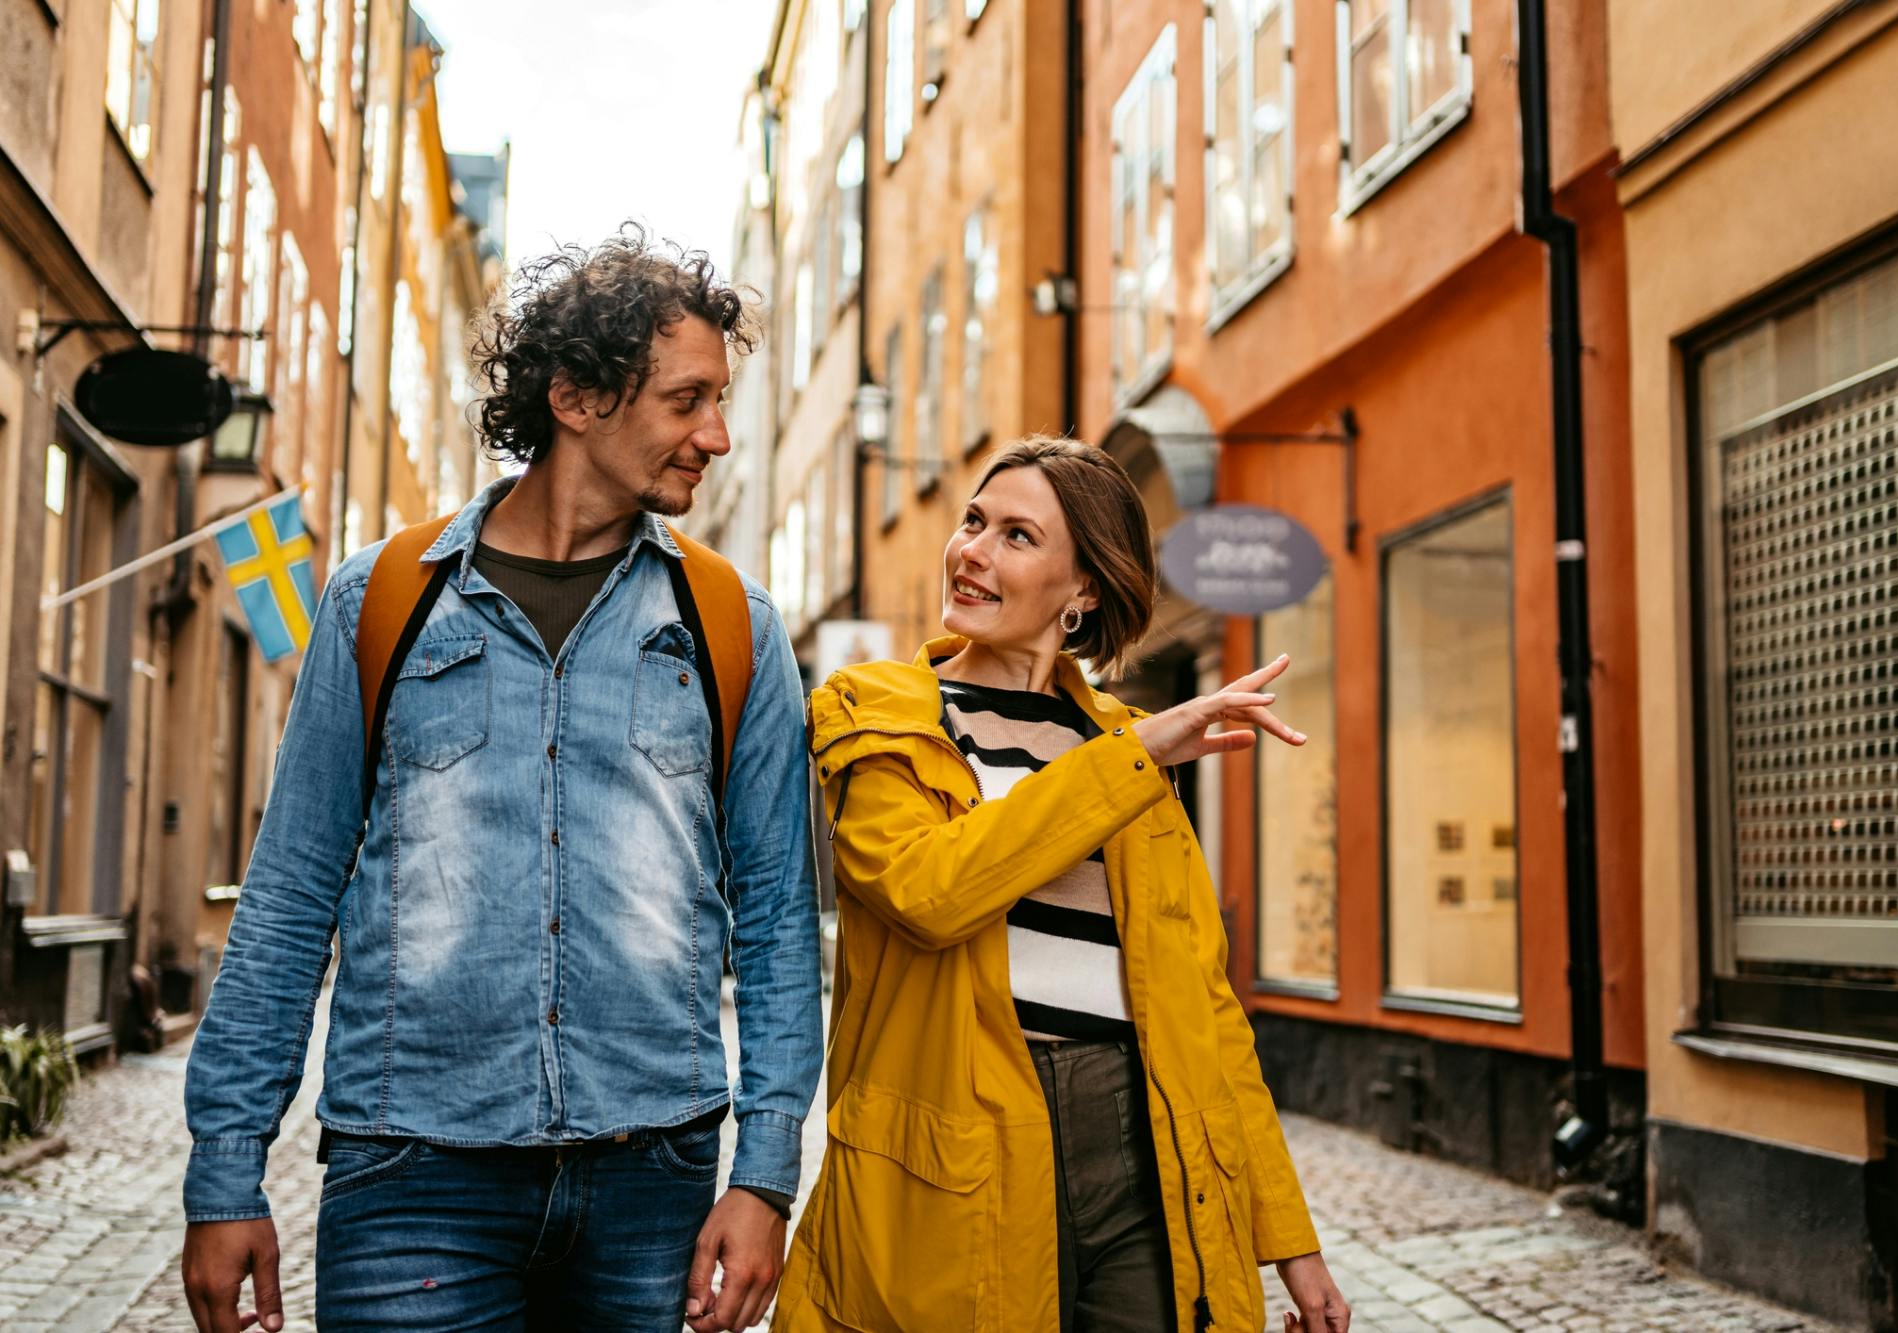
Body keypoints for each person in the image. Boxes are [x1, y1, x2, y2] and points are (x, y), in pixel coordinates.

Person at [179, 230, 823, 1333]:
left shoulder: (731, 628)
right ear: (574, 396)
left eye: (718, 400)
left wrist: (763, 1175)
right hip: (412, 1175)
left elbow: (773, 920)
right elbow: (288, 897)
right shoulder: (378, 601)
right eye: (686, 400)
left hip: (651, 1180)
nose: (715, 435)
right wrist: (226, 1171)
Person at [775, 436, 1350, 1332]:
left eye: (1015, 536)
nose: (971, 551)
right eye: (973, 521)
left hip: (1141, 1147)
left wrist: (1292, 1240)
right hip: (957, 1145)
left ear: (1083, 587)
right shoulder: (882, 712)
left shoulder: (1122, 746)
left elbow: (1206, 1011)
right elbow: (932, 891)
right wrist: (1134, 757)